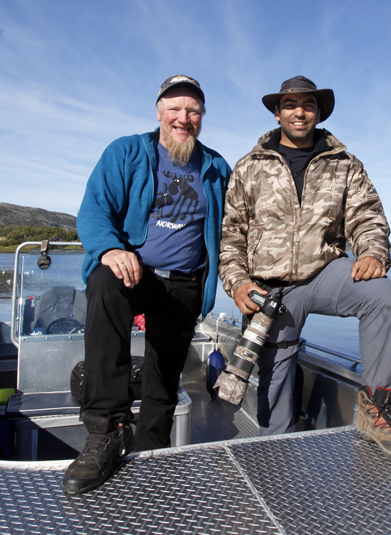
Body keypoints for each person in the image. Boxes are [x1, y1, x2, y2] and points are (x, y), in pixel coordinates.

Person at [219, 76, 391, 462]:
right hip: (269, 288)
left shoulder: (345, 164)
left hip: (325, 273)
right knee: (275, 384)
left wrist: (372, 252)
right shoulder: (249, 166)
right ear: (277, 113)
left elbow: (367, 218)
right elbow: (232, 235)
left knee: (381, 294)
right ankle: (274, 453)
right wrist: (238, 282)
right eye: (290, 104)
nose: (299, 111)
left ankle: (376, 408)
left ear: (318, 111)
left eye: (307, 104)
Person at [65, 75, 231, 494]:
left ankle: (152, 454)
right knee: (104, 284)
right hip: (134, 271)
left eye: (193, 110)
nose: (183, 118)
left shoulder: (215, 168)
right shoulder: (127, 152)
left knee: (165, 372)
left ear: (202, 117)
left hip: (186, 283)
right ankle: (106, 430)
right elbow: (94, 210)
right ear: (159, 112)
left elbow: (238, 226)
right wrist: (109, 249)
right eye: (174, 109)